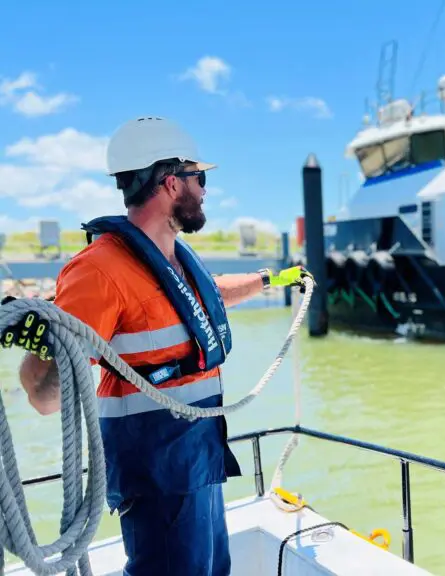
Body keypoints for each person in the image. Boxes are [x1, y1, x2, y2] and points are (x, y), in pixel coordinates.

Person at [1, 116, 313, 575]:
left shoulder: (172, 257)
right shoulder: (100, 270)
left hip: (199, 456)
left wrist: (271, 279)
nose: (205, 190)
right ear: (171, 184)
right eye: (199, 178)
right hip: (158, 470)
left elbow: (207, 293)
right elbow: (44, 397)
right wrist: (48, 347)